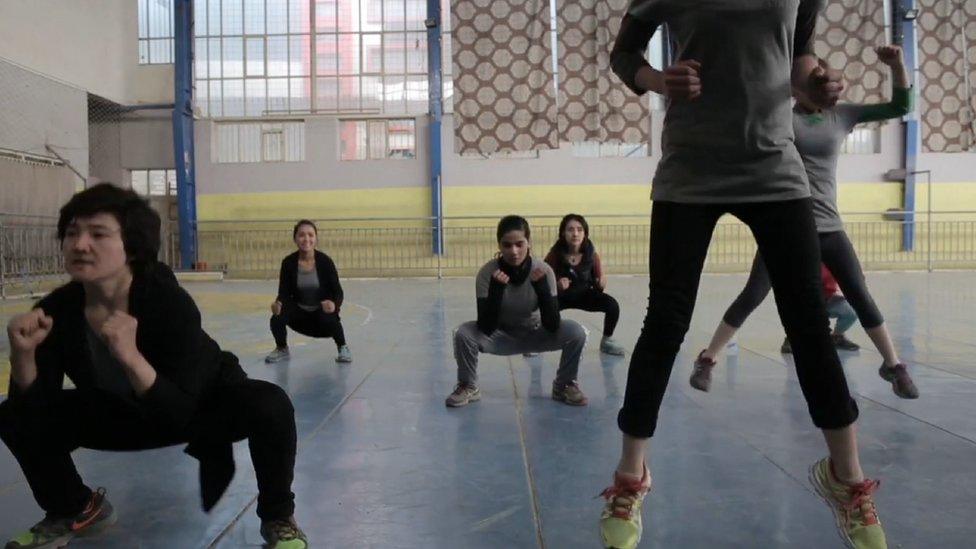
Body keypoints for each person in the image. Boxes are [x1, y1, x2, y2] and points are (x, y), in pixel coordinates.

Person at [599, 2, 888, 548]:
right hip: (691, 169)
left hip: (774, 166)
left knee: (807, 322)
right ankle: (630, 478)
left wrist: (818, 85)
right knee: (666, 320)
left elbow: (796, 58)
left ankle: (847, 479)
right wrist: (658, 79)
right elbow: (623, 54)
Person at [0, 184, 307, 549]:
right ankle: (75, 508)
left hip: (198, 407)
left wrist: (131, 358)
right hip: (121, 413)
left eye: (98, 234)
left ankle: (277, 518)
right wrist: (22, 355)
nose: (80, 244)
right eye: (71, 233)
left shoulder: (166, 301)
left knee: (270, 404)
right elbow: (33, 413)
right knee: (11, 415)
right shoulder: (57, 311)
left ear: (131, 246)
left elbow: (179, 413)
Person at [691, 46, 918, 400]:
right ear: (792, 88)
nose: (817, 77)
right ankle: (708, 358)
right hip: (785, 225)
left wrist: (898, 65)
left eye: (819, 72)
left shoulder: (841, 116)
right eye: (807, 75)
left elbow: (901, 107)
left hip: (828, 226)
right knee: (754, 293)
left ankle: (893, 364)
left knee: (860, 295)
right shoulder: (779, 115)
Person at [446, 215, 589, 407]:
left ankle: (564, 384)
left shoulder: (543, 271)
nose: (514, 251)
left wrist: (542, 290)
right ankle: (468, 385)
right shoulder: (487, 274)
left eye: (519, 244)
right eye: (507, 245)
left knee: (577, 332)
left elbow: (553, 324)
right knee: (463, 334)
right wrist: (496, 290)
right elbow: (486, 327)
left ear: (529, 242)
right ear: (499, 245)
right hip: (499, 335)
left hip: (536, 332)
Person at [265, 220, 351, 364]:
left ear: (316, 238)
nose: (306, 239)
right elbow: (284, 292)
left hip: (321, 313)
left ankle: (343, 347)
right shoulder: (288, 263)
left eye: (310, 235)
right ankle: (282, 348)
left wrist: (334, 304)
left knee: (331, 316)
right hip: (299, 312)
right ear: (295, 239)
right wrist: (278, 303)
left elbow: (338, 292)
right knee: (276, 318)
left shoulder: (325, 262)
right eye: (301, 235)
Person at [545, 214, 626, 356]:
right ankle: (539, 341)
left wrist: (601, 283)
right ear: (563, 233)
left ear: (585, 234)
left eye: (579, 229)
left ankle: (607, 340)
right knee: (541, 307)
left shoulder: (592, 255)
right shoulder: (554, 255)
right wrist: (556, 284)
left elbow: (599, 284)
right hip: (561, 296)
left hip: (584, 295)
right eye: (570, 229)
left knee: (612, 305)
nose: (575, 233)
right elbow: (542, 280)